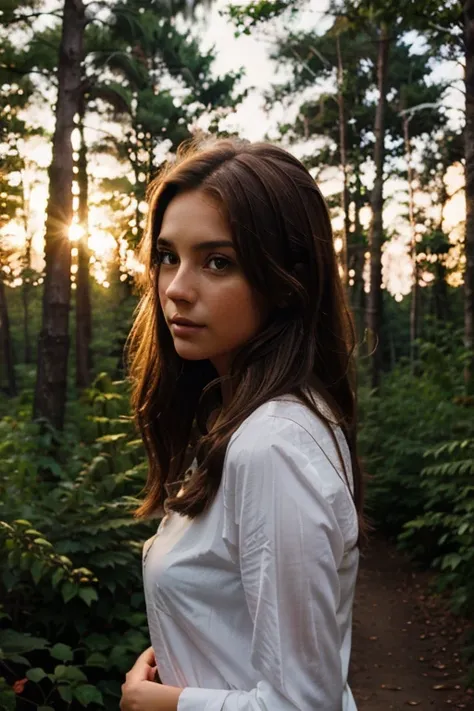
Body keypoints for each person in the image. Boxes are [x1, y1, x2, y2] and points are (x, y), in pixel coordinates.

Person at [120, 138, 365, 711]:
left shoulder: (271, 444)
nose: (176, 287)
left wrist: (158, 702)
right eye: (166, 256)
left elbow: (304, 704)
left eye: (217, 261)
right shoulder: (237, 423)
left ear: (285, 280)